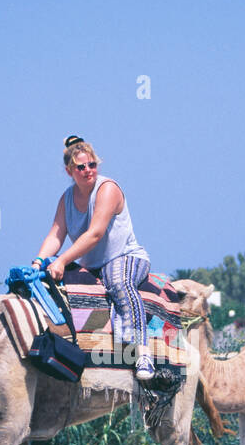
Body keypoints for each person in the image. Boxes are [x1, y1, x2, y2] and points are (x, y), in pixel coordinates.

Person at [34, 136, 155, 381]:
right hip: (92, 267)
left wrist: (61, 261)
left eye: (92, 165)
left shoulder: (107, 189)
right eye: (81, 167)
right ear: (70, 171)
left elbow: (95, 234)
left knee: (118, 281)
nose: (88, 170)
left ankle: (142, 354)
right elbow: (56, 236)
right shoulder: (66, 199)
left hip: (125, 257)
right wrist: (38, 262)